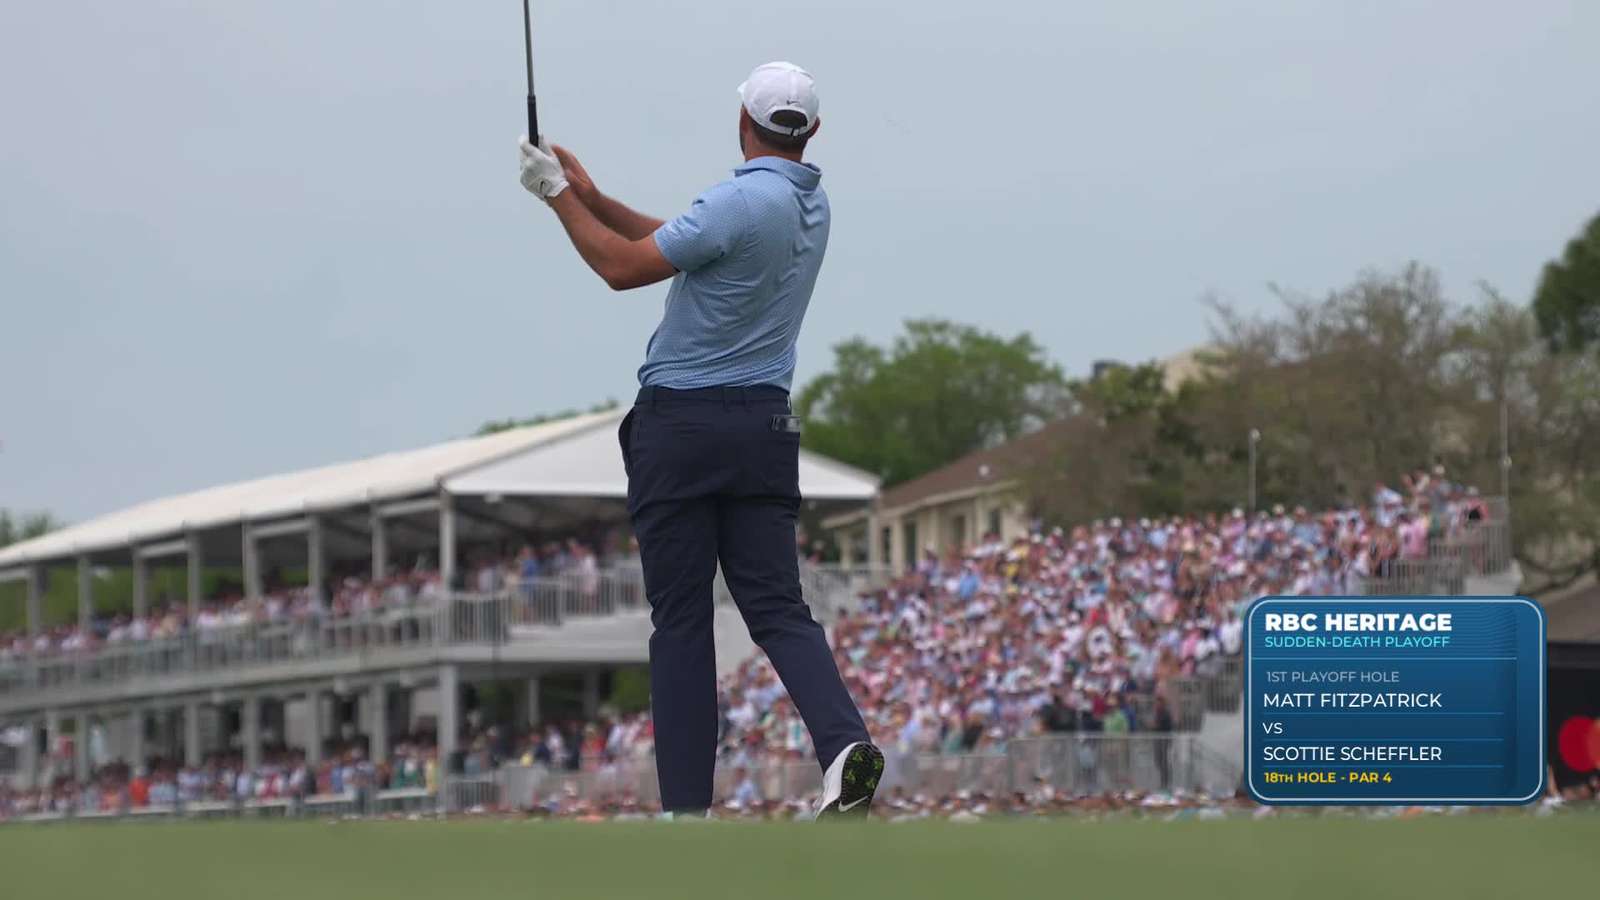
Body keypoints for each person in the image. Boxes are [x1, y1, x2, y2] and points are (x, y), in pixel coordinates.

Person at [518, 61, 881, 819]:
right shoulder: (809, 206)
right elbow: (676, 241)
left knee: (681, 621)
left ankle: (686, 812)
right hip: (764, 428)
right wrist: (590, 195)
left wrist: (555, 198)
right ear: (811, 131)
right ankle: (845, 747)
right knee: (779, 608)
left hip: (682, 426)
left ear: (742, 121)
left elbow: (623, 268)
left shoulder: (738, 198)